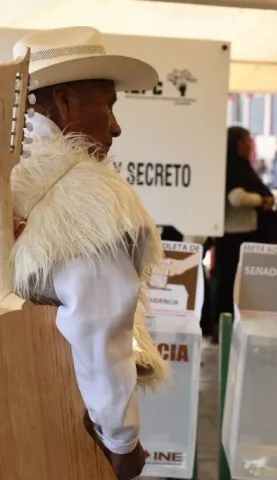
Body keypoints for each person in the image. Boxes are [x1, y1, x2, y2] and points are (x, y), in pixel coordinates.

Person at [11, 27, 168, 479]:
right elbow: (98, 329)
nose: (116, 126)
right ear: (63, 101)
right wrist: (121, 441)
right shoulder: (88, 199)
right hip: (51, 418)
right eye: (108, 104)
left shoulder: (11, 175)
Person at [213, 126, 273, 324]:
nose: (250, 145)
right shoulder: (234, 167)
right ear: (238, 143)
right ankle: (226, 324)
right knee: (231, 283)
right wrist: (261, 200)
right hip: (235, 234)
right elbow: (236, 197)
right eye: (248, 141)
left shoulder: (235, 166)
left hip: (237, 233)